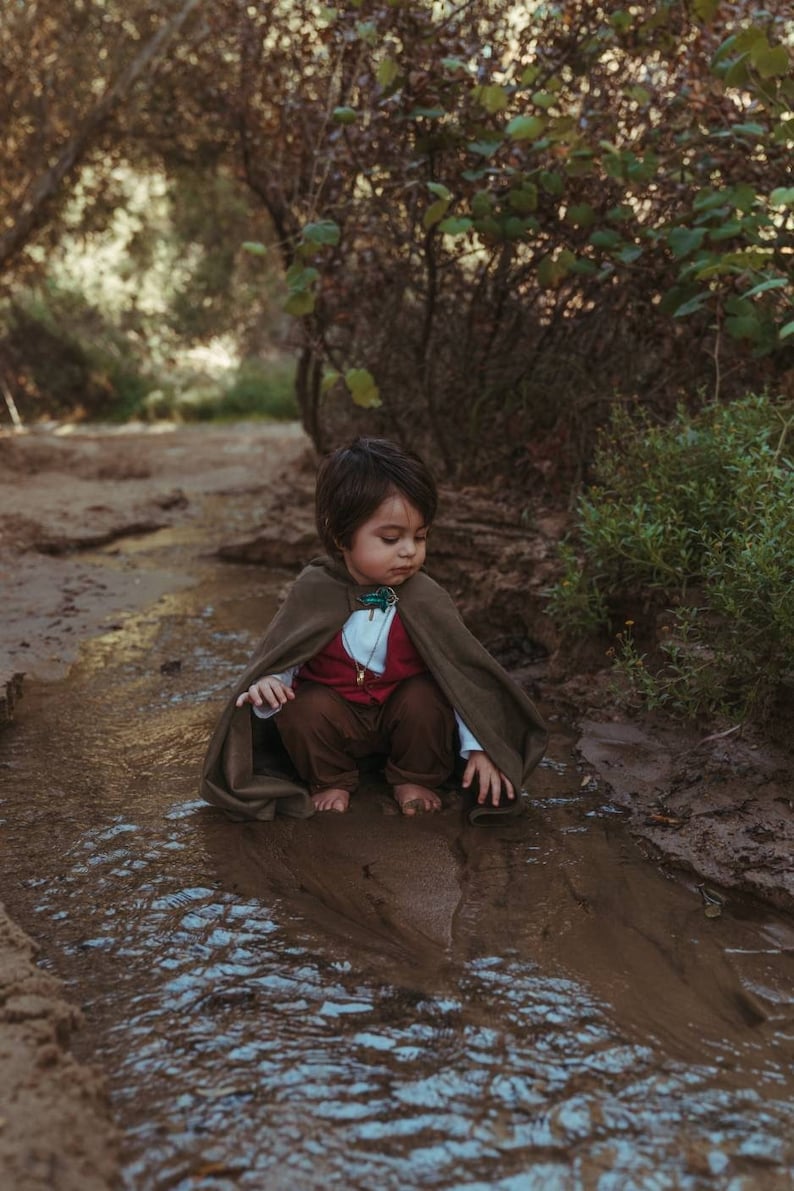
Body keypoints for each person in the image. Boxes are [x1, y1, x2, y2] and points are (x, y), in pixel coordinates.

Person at [200, 437, 547, 824]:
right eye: (390, 539)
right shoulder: (313, 590)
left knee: (426, 696)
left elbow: (461, 678)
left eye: (420, 537)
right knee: (302, 705)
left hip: (404, 722)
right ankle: (330, 780)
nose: (409, 552)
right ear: (339, 535)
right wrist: (269, 683)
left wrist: (481, 746)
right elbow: (285, 656)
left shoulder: (425, 596)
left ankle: (414, 778)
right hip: (335, 722)